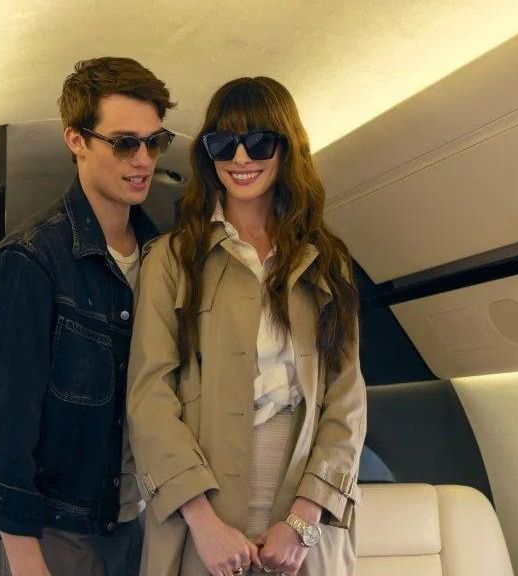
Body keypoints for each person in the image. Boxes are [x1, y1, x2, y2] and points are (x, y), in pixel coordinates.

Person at [127, 77, 366, 576]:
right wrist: (203, 523)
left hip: (303, 513)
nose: (239, 157)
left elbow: (346, 398)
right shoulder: (170, 259)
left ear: (286, 148)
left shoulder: (327, 262)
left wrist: (303, 521)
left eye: (258, 142)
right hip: (201, 513)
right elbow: (150, 396)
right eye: (223, 143)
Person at [0, 56, 176, 576]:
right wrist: (26, 562)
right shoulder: (30, 261)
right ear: (76, 140)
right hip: (57, 533)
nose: (143, 159)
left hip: (142, 522)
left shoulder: (164, 258)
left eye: (154, 142)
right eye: (124, 143)